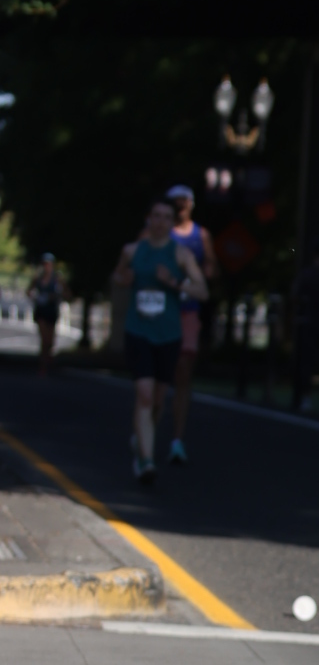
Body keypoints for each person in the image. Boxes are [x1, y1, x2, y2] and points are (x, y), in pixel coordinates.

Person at [111, 201, 208, 483]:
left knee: (157, 399)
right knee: (144, 393)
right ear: (148, 219)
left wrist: (175, 283)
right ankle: (146, 460)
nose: (161, 222)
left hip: (168, 335)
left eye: (167, 217)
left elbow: (202, 291)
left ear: (171, 223)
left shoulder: (180, 255)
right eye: (156, 216)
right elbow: (117, 275)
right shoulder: (132, 251)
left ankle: (142, 438)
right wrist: (124, 278)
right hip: (138, 331)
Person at [166, 185, 217, 464]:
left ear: (191, 205)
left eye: (184, 202)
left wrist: (201, 274)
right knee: (160, 376)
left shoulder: (201, 235)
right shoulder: (159, 232)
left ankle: (177, 438)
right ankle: (146, 427)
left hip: (188, 311)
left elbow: (211, 267)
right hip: (163, 312)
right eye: (175, 202)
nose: (180, 207)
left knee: (184, 371)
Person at [28, 253, 63, 375]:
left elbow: (66, 293)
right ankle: (42, 365)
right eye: (44, 264)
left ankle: (48, 358)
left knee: (50, 340)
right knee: (44, 338)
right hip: (41, 310)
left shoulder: (57, 279)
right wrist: (36, 297)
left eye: (48, 264)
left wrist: (56, 296)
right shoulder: (37, 278)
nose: (46, 266)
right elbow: (29, 291)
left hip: (52, 310)